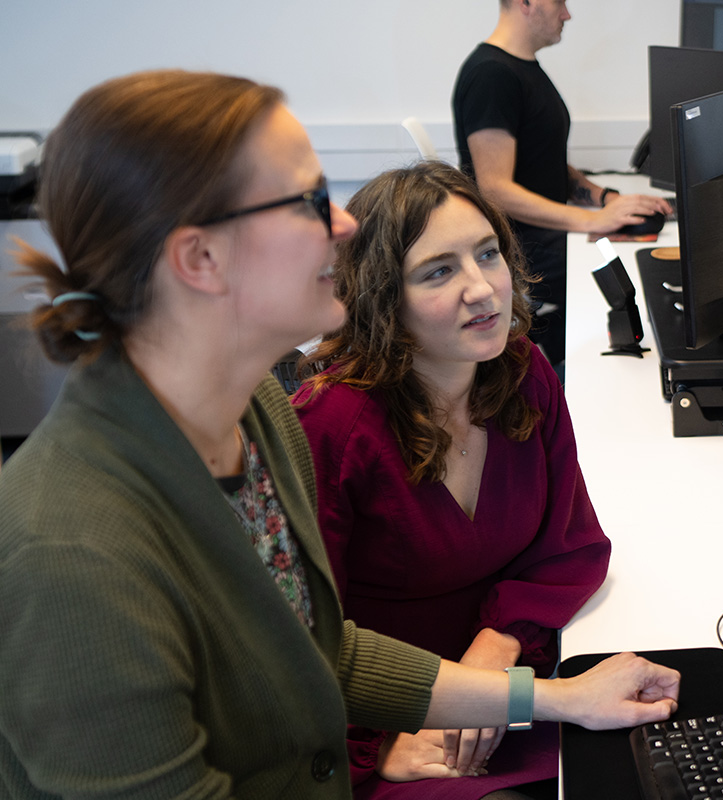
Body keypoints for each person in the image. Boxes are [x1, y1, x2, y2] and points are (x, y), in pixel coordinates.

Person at [0, 70, 680, 800]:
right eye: (306, 201)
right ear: (200, 259)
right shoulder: (69, 555)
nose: (347, 224)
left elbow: (315, 646)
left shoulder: (254, 408)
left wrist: (551, 698)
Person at [293, 161, 611, 800]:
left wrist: (498, 644)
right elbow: (294, 638)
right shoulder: (330, 425)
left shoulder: (521, 371)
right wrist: (375, 741)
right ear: (384, 298)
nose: (484, 289)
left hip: (513, 682)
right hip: (394, 731)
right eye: (439, 271)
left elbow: (568, 545)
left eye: (488, 254)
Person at [452, 0, 672, 373]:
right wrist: (591, 221)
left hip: (543, 235)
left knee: (637, 259)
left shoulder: (523, 69)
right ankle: (565, 378)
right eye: (560, 3)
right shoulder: (492, 76)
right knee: (626, 276)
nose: (567, 14)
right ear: (527, 3)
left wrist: (605, 198)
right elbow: (494, 190)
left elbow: (545, 158)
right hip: (519, 245)